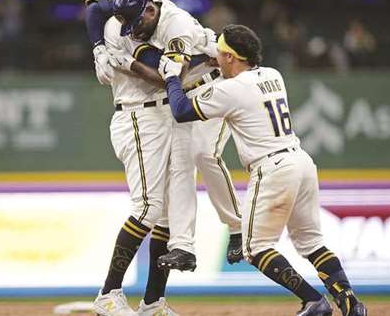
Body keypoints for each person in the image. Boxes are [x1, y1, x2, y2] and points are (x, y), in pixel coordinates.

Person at [157, 24, 368, 316]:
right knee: (312, 243)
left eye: (219, 52)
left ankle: (313, 301)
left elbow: (181, 111)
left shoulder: (230, 89)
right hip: (301, 161)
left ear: (231, 57)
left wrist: (171, 76)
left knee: (255, 249)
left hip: (272, 168)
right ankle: (352, 304)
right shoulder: (273, 74)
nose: (215, 56)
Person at [89, 0, 243, 273]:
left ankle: (238, 229)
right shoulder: (119, 18)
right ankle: (184, 247)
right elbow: (92, 8)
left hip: (212, 83)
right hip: (182, 92)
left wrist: (127, 63)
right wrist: (98, 50)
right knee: (182, 164)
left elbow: (170, 77)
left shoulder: (174, 20)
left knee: (202, 153)